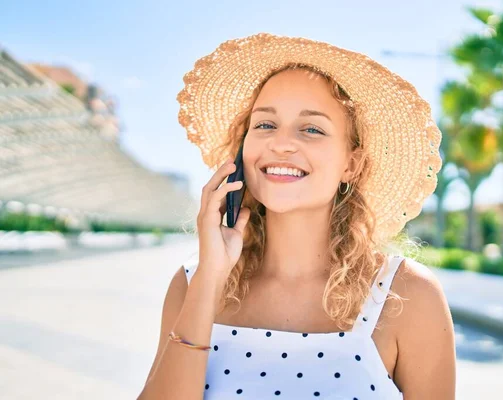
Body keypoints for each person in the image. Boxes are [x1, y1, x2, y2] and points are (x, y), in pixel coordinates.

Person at [138, 32, 455, 399]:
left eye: (312, 129)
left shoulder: (407, 294)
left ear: (352, 165)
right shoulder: (192, 282)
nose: (282, 142)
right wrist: (211, 276)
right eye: (265, 125)